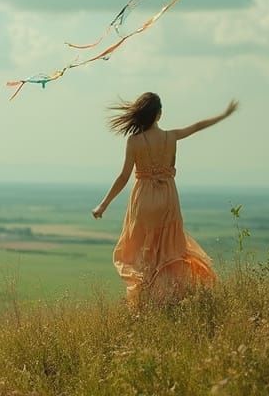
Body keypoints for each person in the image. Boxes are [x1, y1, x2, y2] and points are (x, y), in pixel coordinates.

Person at [91, 93, 238, 304]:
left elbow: (124, 176)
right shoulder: (171, 137)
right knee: (169, 249)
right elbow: (197, 126)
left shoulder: (134, 141)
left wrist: (103, 204)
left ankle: (147, 297)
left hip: (143, 200)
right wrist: (223, 115)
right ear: (159, 115)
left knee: (143, 250)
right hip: (168, 198)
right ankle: (170, 296)